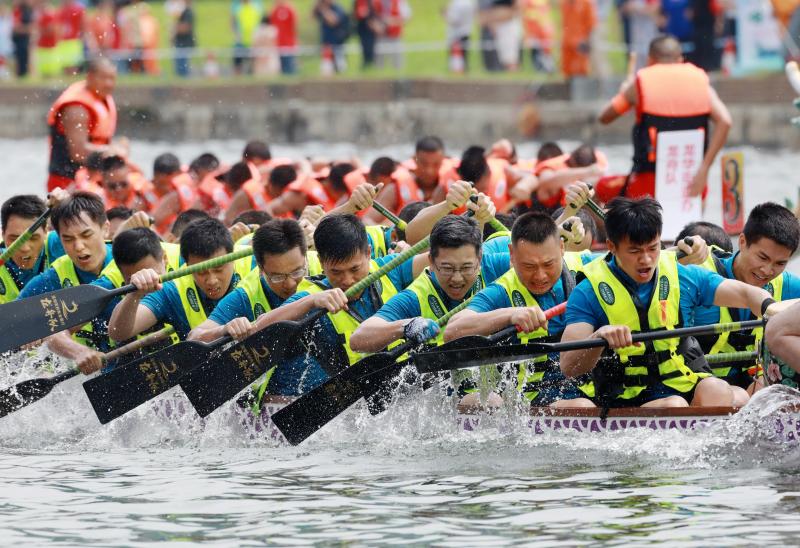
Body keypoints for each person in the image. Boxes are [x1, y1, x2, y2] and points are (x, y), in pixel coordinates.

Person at [559, 197, 775, 408]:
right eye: (634, 251)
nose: (646, 260)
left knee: (717, 389)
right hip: (626, 396)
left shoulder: (681, 274)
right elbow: (569, 366)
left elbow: (746, 294)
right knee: (676, 404)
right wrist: (598, 338)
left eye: (652, 248)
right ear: (611, 246)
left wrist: (772, 309)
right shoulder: (588, 291)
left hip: (680, 380)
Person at [237, 214, 420, 394]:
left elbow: (434, 260)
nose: (347, 280)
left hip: (405, 387)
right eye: (336, 272)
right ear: (321, 262)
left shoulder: (391, 268)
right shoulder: (311, 296)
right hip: (350, 398)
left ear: (368, 253)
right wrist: (311, 302)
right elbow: (257, 329)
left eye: (354, 269)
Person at [445, 212, 597, 408]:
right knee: (581, 406)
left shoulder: (588, 266)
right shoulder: (501, 291)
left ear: (561, 248)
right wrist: (511, 314)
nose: (540, 276)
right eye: (529, 266)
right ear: (512, 254)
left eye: (548, 264)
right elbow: (452, 331)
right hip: (533, 404)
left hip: (593, 391)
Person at [598, 35, 732, 199]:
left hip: (647, 185)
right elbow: (725, 121)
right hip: (694, 183)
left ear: (650, 60)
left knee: (596, 190)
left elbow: (604, 118)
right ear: (680, 59)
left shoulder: (640, 82)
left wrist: (624, 93)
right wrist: (704, 168)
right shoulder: (700, 81)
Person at [692, 204, 800, 400]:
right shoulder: (697, 273)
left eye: (780, 263)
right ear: (742, 242)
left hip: (753, 389)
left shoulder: (788, 285)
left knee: (768, 391)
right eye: (762, 257)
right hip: (700, 389)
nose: (767, 270)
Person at [108, 218, 254, 342]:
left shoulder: (254, 263)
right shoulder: (172, 290)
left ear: (232, 256)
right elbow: (117, 333)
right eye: (201, 272)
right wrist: (134, 294)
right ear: (187, 265)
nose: (212, 281)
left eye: (219, 269)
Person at [18, 192, 117, 374]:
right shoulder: (54, 278)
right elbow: (14, 318)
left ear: (105, 229)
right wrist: (29, 328)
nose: (79, 247)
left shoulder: (129, 259)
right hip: (97, 373)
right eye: (68, 239)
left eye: (86, 235)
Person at [46, 57, 118, 192]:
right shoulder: (76, 108)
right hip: (67, 181)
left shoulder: (101, 98)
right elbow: (78, 153)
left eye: (112, 78)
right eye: (103, 78)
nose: (109, 83)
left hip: (94, 178)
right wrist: (114, 152)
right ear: (89, 77)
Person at [0, 194, 63, 304]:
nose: (24, 248)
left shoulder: (62, 241)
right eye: (14, 239)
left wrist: (67, 205)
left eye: (33, 238)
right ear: (3, 234)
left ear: (46, 231)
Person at [149, 153, 197, 235]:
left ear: (179, 174)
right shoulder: (145, 193)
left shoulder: (183, 191)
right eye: (162, 184)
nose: (167, 189)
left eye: (169, 184)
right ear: (154, 177)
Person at [560, 0, 596, 79]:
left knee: (581, 71)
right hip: (567, 43)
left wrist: (587, 41)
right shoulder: (564, 3)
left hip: (580, 44)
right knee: (567, 71)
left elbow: (591, 25)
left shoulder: (586, 3)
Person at [313, 0, 350, 73]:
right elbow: (312, 16)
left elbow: (333, 21)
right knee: (326, 69)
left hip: (337, 43)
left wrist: (323, 9)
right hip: (327, 43)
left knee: (341, 68)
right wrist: (317, 5)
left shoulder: (337, 8)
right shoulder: (322, 8)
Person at [375, 0, 411, 69]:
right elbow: (372, 15)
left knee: (397, 62)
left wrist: (392, 21)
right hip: (381, 36)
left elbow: (407, 18)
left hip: (395, 36)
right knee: (379, 62)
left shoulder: (399, 2)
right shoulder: (377, 1)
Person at [444, 0, 475, 73]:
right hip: (466, 32)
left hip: (456, 35)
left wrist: (445, 14)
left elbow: (454, 20)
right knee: (464, 58)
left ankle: (458, 73)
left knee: (457, 60)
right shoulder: (469, 3)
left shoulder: (457, 4)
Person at [56, 0, 84, 74]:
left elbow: (82, 25)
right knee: (65, 64)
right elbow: (58, 26)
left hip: (74, 40)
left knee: (73, 65)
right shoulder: (61, 10)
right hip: (64, 41)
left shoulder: (78, 10)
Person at [270, 0, 297, 74]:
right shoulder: (275, 11)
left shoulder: (289, 10)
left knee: (289, 67)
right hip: (278, 43)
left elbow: (293, 27)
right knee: (281, 68)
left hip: (288, 43)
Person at [354, 0, 380, 69]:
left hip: (371, 29)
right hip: (363, 29)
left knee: (371, 48)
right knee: (365, 48)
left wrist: (374, 23)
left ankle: (371, 64)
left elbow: (375, 13)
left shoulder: (371, 2)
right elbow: (356, 13)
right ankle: (366, 64)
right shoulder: (359, 1)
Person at [11, 0, 34, 77]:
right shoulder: (18, 11)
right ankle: (20, 74)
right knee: (19, 57)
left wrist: (21, 28)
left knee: (24, 57)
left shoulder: (27, 11)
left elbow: (30, 27)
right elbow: (15, 26)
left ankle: (24, 74)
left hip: (24, 39)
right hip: (18, 39)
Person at [173, 0, 195, 77]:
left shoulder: (188, 12)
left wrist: (174, 27)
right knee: (180, 69)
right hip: (181, 43)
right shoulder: (184, 12)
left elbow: (185, 28)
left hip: (184, 44)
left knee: (183, 71)